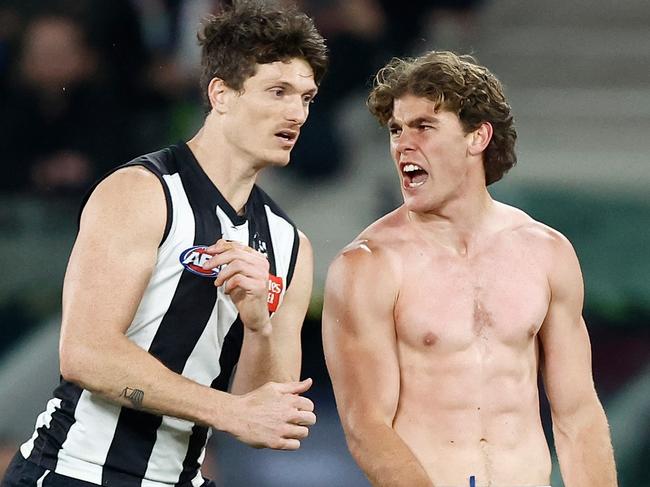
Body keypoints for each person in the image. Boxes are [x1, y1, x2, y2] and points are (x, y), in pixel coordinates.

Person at [2, 1, 327, 486]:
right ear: (221, 93)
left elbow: (265, 418)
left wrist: (259, 326)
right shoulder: (141, 191)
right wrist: (227, 410)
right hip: (77, 471)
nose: (295, 113)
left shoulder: (290, 245)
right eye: (277, 91)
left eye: (306, 97)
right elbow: (87, 353)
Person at [322, 51, 617, 487]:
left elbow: (577, 413)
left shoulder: (547, 252)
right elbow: (366, 427)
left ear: (477, 137)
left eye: (424, 126)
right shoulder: (367, 266)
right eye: (396, 130)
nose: (404, 143)